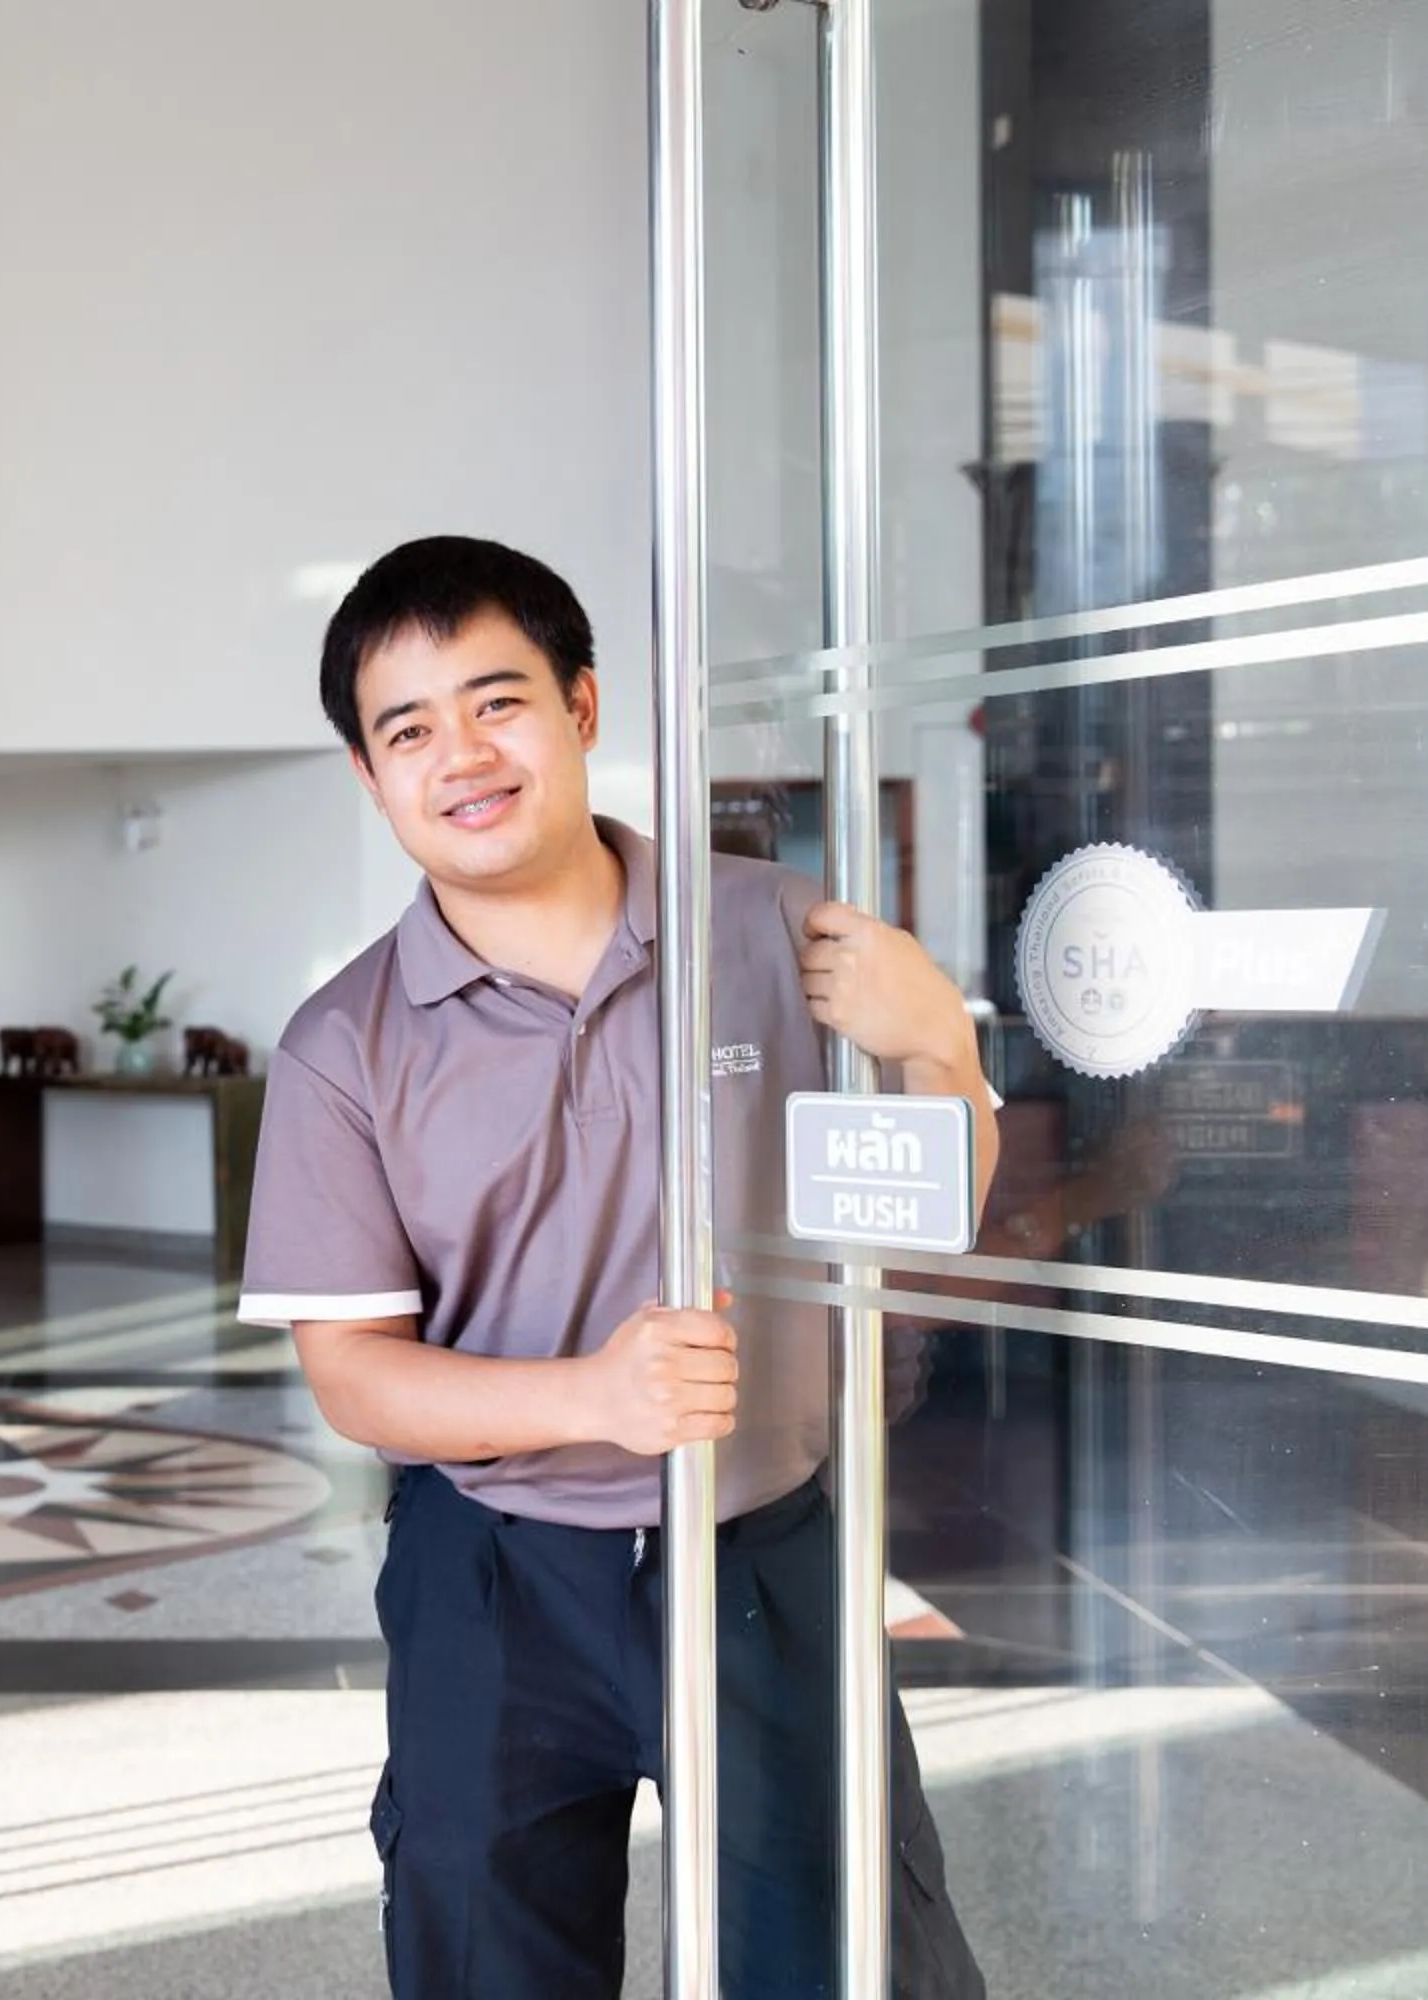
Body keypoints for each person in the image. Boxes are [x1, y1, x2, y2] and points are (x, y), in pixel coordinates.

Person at [238, 537, 998, 1997]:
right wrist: (596, 1394)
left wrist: (941, 1050)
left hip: (772, 1551)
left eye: (497, 702)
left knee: (836, 1959)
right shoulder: (346, 1043)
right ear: (368, 772)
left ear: (583, 706)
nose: (460, 755)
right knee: (487, 1955)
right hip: (498, 1575)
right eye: (410, 729)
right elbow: (352, 1375)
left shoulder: (771, 934)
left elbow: (928, 1210)